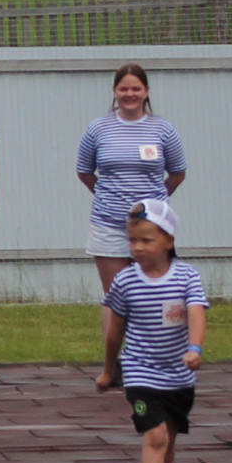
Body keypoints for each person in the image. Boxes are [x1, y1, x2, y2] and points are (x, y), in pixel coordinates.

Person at [76, 61, 188, 389]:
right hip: (109, 224)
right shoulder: (98, 129)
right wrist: (109, 196)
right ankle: (116, 365)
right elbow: (84, 171)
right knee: (116, 296)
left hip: (153, 228)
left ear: (146, 92)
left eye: (135, 89)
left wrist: (154, 204)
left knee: (162, 293)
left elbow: (178, 172)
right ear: (115, 92)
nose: (129, 94)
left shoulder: (163, 129)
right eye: (123, 89)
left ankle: (164, 361)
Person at [100, 197, 207, 463]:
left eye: (147, 240)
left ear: (169, 241)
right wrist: (108, 370)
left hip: (179, 376)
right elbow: (115, 331)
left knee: (169, 441)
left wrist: (194, 348)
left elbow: (196, 312)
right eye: (132, 241)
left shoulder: (187, 276)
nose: (138, 248)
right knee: (155, 435)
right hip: (141, 371)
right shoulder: (125, 282)